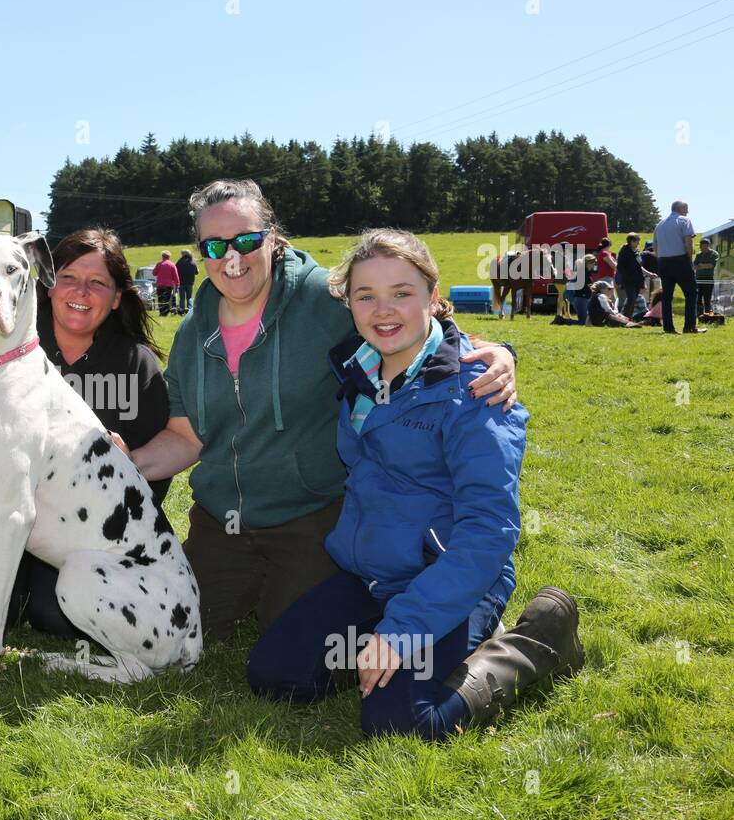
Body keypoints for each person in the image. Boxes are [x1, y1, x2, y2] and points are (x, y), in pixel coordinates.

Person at [121, 179, 518, 640]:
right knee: (183, 630)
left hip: (310, 515)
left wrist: (498, 351)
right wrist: (130, 464)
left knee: (291, 644)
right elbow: (187, 435)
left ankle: (454, 616)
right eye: (214, 245)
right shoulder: (193, 331)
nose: (232, 258)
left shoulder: (322, 300)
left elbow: (410, 326)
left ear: (272, 236)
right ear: (200, 250)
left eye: (246, 240)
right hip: (222, 519)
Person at [247, 229, 582, 740]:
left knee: (399, 724)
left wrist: (403, 634)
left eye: (402, 292)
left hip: (452, 581)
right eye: (366, 296)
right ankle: (391, 656)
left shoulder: (477, 392)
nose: (384, 310)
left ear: (432, 294)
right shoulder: (356, 373)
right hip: (371, 576)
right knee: (276, 676)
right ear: (350, 304)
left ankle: (533, 640)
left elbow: (488, 534)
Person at [0, 228, 172, 638]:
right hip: (8, 514)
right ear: (45, 280)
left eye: (98, 284)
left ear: (116, 298)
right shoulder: (7, 349)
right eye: (70, 278)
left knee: (54, 612)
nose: (81, 292)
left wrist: (129, 460)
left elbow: (151, 480)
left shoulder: (137, 364)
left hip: (87, 536)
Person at [654, 200, 705, 334]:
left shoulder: (659, 225)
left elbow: (655, 246)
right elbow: (689, 242)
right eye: (686, 208)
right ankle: (689, 326)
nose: (687, 211)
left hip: (663, 261)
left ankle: (668, 328)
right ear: (680, 209)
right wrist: (689, 259)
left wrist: (661, 259)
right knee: (691, 293)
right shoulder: (684, 220)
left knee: (667, 296)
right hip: (680, 260)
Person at [615, 232, 655, 318]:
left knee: (633, 299)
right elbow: (620, 267)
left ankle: (626, 317)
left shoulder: (636, 252)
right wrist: (626, 275)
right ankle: (626, 318)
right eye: (637, 241)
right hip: (628, 280)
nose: (638, 243)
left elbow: (639, 267)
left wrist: (649, 274)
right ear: (632, 241)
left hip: (637, 280)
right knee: (631, 299)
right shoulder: (624, 252)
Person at [694, 237, 719, 315]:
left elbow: (711, 265)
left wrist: (701, 265)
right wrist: (702, 265)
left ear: (708, 245)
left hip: (708, 279)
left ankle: (707, 315)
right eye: (702, 245)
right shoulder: (698, 255)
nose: (703, 247)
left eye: (705, 245)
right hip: (698, 279)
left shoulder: (714, 254)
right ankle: (699, 315)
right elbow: (695, 266)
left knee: (707, 299)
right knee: (698, 299)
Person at [153, 250, 179, 316]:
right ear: (169, 257)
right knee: (167, 299)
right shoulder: (172, 264)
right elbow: (175, 275)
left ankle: (161, 312)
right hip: (168, 285)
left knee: (160, 299)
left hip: (160, 285)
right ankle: (165, 312)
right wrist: (177, 284)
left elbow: (154, 273)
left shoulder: (159, 264)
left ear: (162, 256)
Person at [175, 248, 198, 314]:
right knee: (189, 297)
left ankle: (181, 310)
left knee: (182, 298)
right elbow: (196, 272)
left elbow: (175, 271)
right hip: (190, 283)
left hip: (181, 282)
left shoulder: (179, 262)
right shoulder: (192, 262)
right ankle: (190, 310)